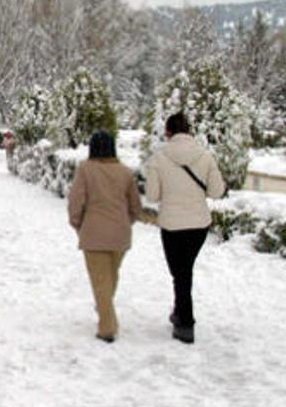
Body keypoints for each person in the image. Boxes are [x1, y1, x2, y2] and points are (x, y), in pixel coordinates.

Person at [145, 112, 226, 344]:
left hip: (171, 225)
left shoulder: (159, 159)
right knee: (183, 272)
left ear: (168, 132)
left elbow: (151, 195)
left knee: (180, 273)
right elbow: (216, 192)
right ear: (189, 131)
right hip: (199, 225)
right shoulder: (205, 156)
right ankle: (180, 313)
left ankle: (185, 323)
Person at [68, 130, 142, 343]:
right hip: (120, 235)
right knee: (111, 276)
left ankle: (107, 327)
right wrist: (126, 222)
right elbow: (135, 207)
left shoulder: (85, 169)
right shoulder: (125, 172)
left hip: (93, 233)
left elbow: (76, 201)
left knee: (101, 282)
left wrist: (78, 224)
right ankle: (104, 308)